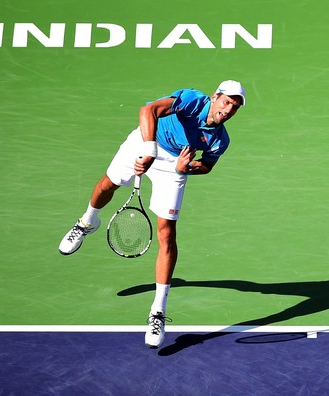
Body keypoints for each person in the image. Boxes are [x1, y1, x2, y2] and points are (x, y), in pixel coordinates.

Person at [58, 80, 246, 348]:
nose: (228, 110)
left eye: (235, 107)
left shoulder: (219, 140)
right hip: (146, 141)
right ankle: (87, 221)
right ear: (215, 96)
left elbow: (206, 166)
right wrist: (149, 150)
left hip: (174, 168)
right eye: (226, 102)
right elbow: (149, 111)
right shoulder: (192, 100)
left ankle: (157, 311)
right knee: (107, 184)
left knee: (167, 234)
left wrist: (186, 168)